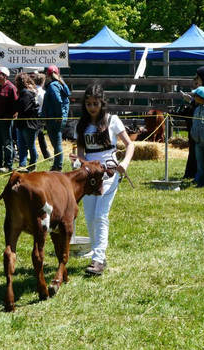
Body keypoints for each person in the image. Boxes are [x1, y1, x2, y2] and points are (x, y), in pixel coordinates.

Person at [71, 84, 134, 275]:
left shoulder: (113, 121)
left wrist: (125, 163)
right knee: (90, 217)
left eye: (95, 103)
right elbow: (81, 153)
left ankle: (98, 258)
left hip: (109, 173)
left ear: (102, 103)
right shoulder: (81, 125)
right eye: (88, 103)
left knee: (100, 215)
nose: (92, 107)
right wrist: (77, 163)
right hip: (88, 176)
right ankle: (98, 254)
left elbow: (130, 144)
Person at [0, 66, 18, 172]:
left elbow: (16, 105)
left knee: (7, 143)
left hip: (6, 121)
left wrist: (10, 117)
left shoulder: (11, 88)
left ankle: (8, 165)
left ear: (5, 76)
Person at [42, 65, 70, 171]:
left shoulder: (53, 86)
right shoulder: (61, 84)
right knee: (56, 142)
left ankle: (57, 166)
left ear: (48, 75)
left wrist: (59, 116)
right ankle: (56, 164)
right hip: (57, 117)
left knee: (56, 142)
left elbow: (58, 101)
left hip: (54, 118)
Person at [14, 73, 40, 171]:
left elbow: (23, 108)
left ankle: (33, 163)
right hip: (21, 123)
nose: (17, 83)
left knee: (30, 145)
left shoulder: (26, 93)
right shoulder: (22, 93)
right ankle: (22, 165)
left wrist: (15, 106)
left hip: (29, 124)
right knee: (21, 146)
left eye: (18, 81)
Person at [32, 73, 51, 159]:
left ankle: (46, 154)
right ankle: (43, 154)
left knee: (39, 135)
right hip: (40, 115)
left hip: (33, 115)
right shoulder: (43, 93)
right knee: (38, 135)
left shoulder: (32, 91)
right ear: (43, 82)